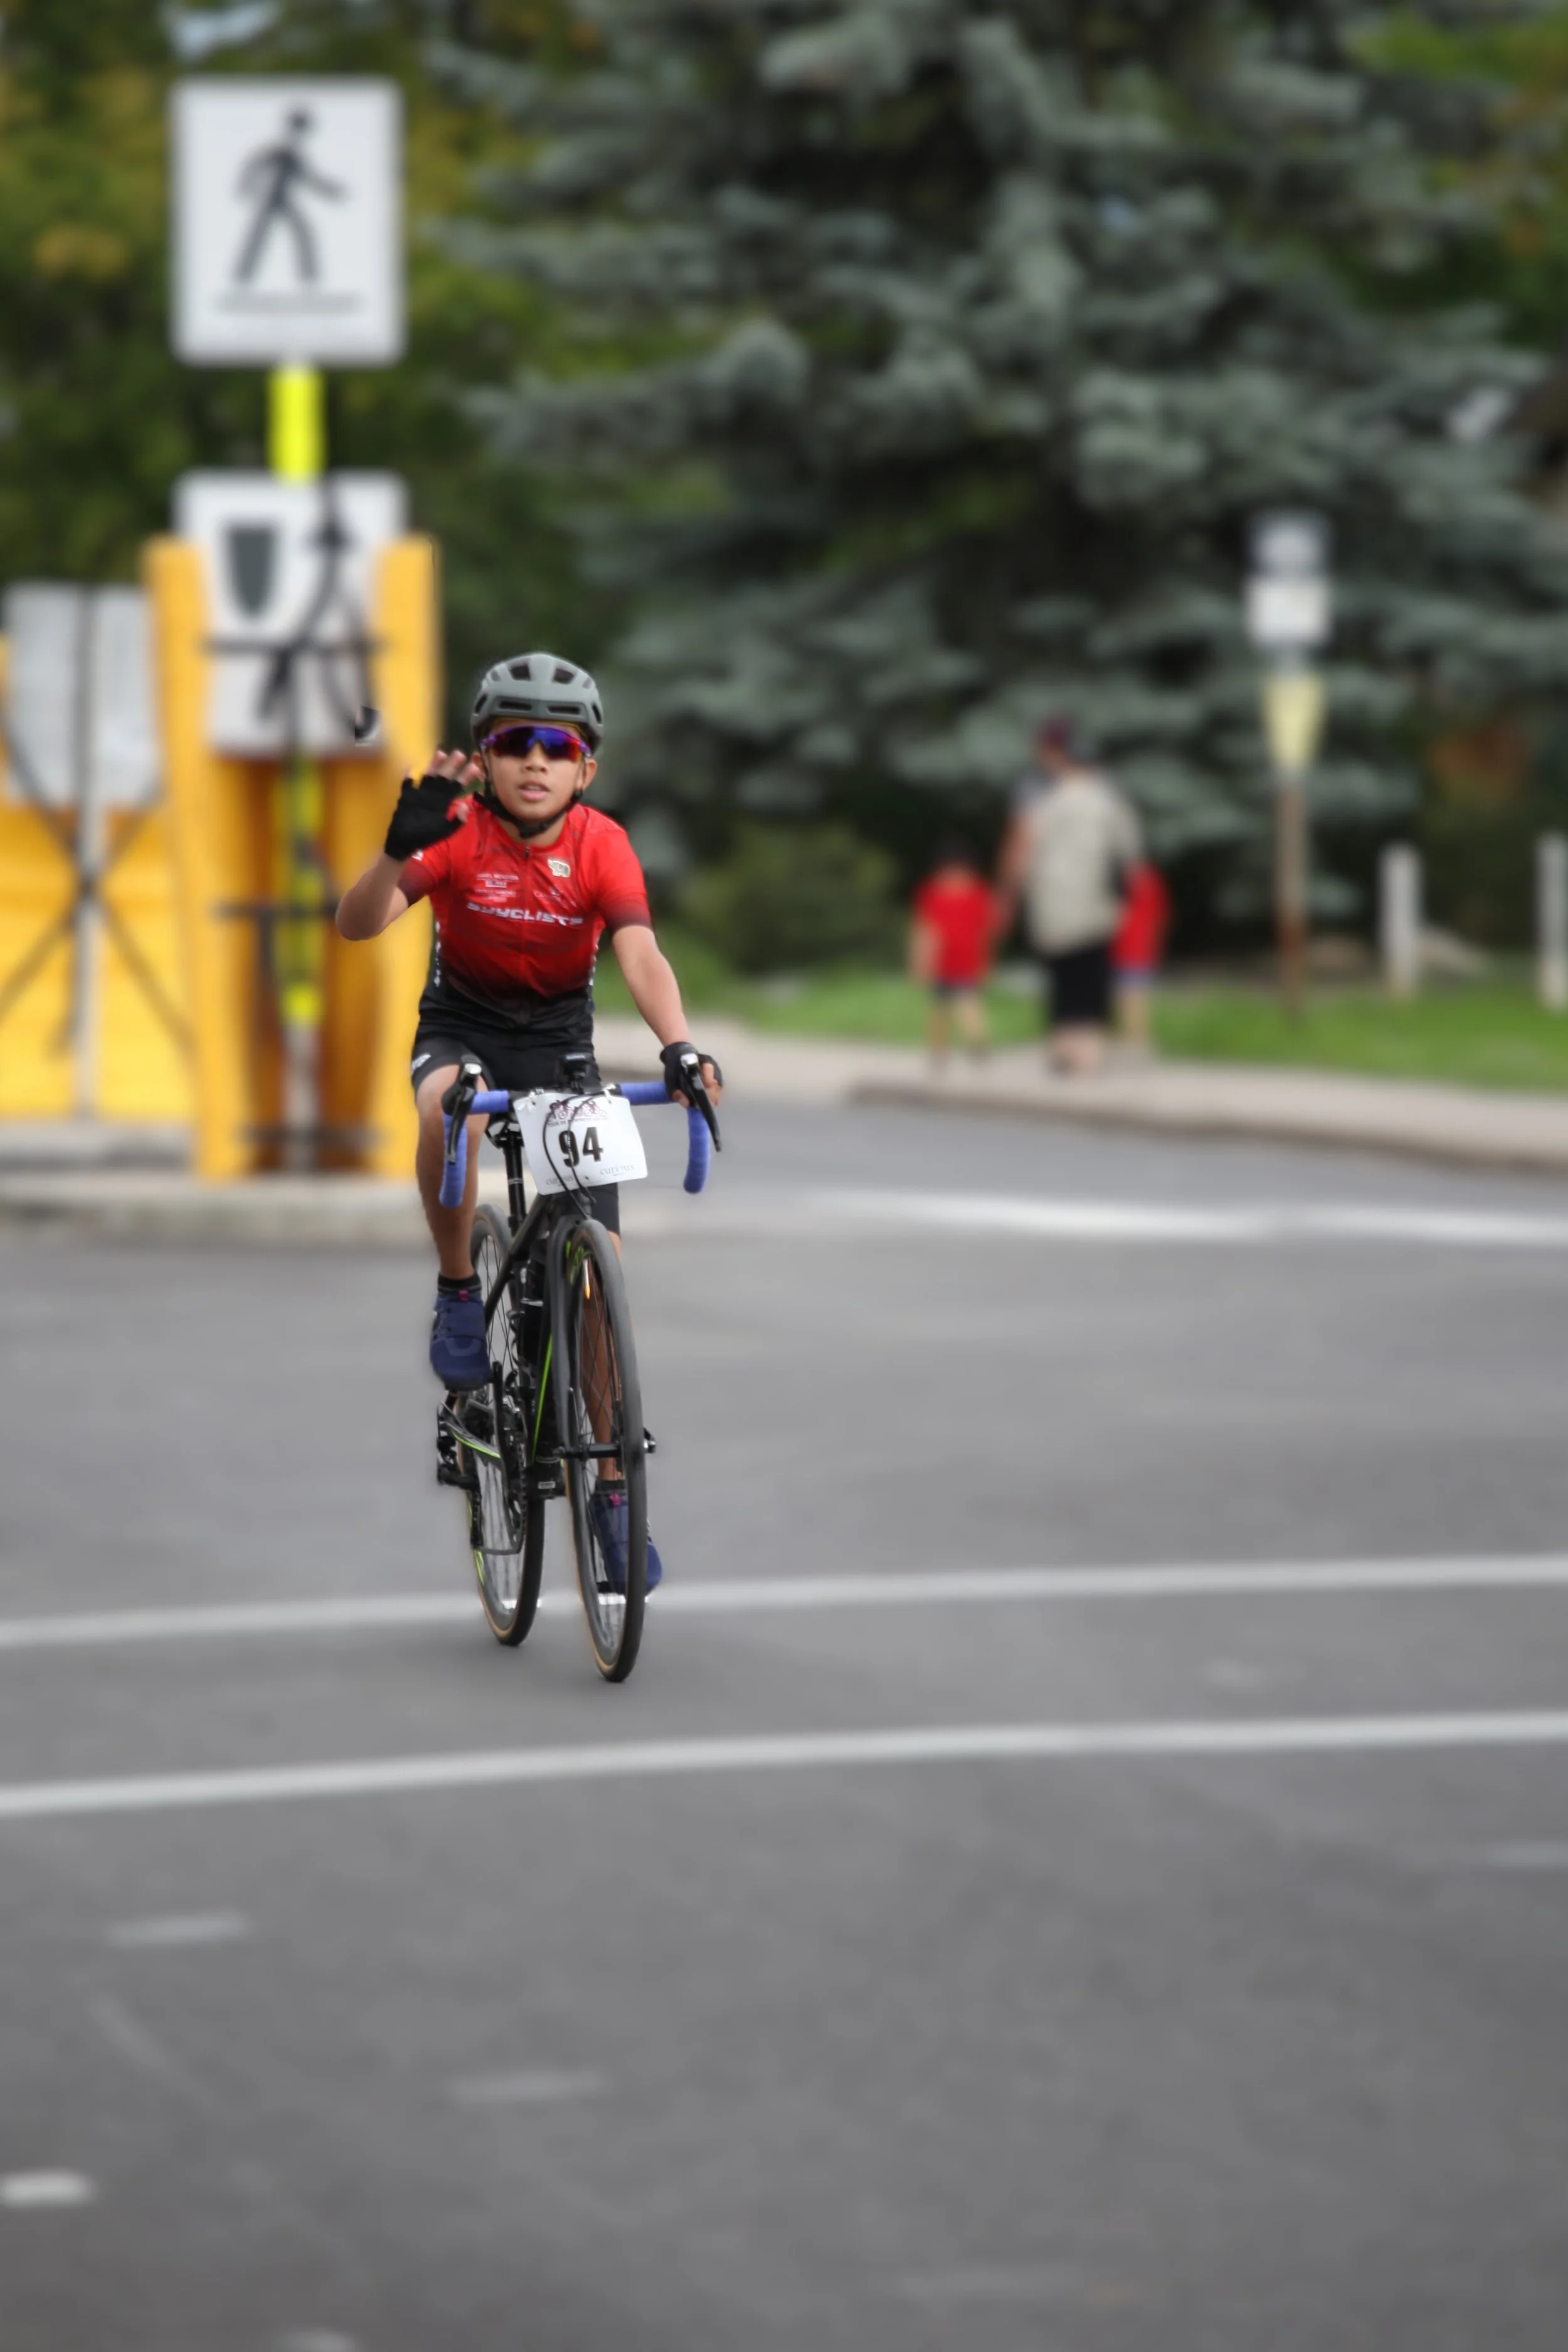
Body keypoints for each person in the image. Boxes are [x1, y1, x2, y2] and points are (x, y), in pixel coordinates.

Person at [335, 652, 722, 1591]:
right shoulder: (454, 829)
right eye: (516, 742)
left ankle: (612, 1496)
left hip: (558, 1048)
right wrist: (393, 852)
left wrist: (678, 1045)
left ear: (586, 767)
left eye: (558, 745)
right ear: (486, 757)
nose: (536, 760)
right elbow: (355, 923)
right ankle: (458, 1289)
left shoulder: (602, 843)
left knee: (599, 1283)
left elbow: (641, 952)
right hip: (461, 1031)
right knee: (450, 1111)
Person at [997, 718, 1142, 1075]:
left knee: (1061, 978)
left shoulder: (1043, 802)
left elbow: (1022, 850)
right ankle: (1089, 1053)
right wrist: (1124, 900)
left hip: (1052, 907)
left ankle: (1062, 1047)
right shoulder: (1108, 802)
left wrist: (1011, 895)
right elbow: (1127, 857)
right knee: (1092, 978)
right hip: (1094, 906)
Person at [909, 839, 997, 1067]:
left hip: (954, 959)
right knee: (961, 1006)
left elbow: (925, 929)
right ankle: (969, 1046)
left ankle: (947, 1050)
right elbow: (985, 931)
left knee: (947, 1007)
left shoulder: (934, 892)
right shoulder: (977, 892)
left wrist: (919, 960)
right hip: (954, 959)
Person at [1113, 859, 1171, 1051]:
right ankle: (1135, 1038)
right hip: (1140, 947)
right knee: (1134, 996)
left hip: (1127, 947)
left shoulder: (1121, 879)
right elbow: (1161, 916)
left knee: (1128, 996)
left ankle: (1135, 1040)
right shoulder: (1150, 879)